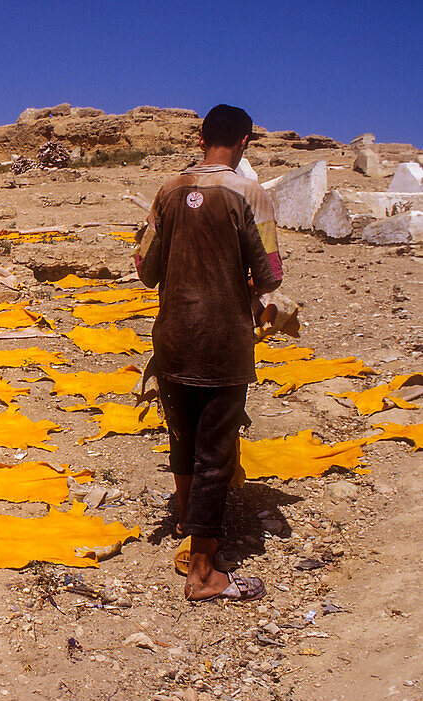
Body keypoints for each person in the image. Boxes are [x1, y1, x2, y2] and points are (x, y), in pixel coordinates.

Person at [135, 104, 283, 602]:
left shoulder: (167, 191)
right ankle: (203, 572)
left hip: (172, 337)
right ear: (244, 144)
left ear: (200, 140)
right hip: (223, 341)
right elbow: (271, 274)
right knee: (216, 454)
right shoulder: (250, 193)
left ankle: (185, 519)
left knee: (183, 436)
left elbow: (145, 269)